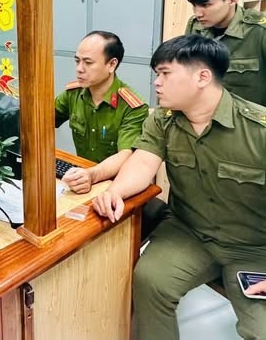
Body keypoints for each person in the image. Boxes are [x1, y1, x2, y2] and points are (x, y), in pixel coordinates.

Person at [92, 34, 266, 340]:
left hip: (253, 248)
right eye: (156, 74)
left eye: (165, 73)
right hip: (189, 234)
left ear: (202, 77)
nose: (157, 83)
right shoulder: (163, 120)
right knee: (150, 281)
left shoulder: (258, 129)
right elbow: (143, 162)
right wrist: (115, 191)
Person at [54, 30, 149, 194]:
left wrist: (92, 175)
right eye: (77, 61)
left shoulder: (132, 107)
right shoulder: (73, 94)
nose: (79, 69)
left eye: (88, 63)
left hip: (117, 186)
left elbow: (126, 154)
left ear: (111, 64)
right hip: (83, 179)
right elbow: (41, 121)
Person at [185, 0, 266, 106]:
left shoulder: (259, 31)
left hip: (246, 118)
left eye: (206, 5)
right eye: (194, 5)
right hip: (204, 112)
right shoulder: (195, 26)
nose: (198, 13)